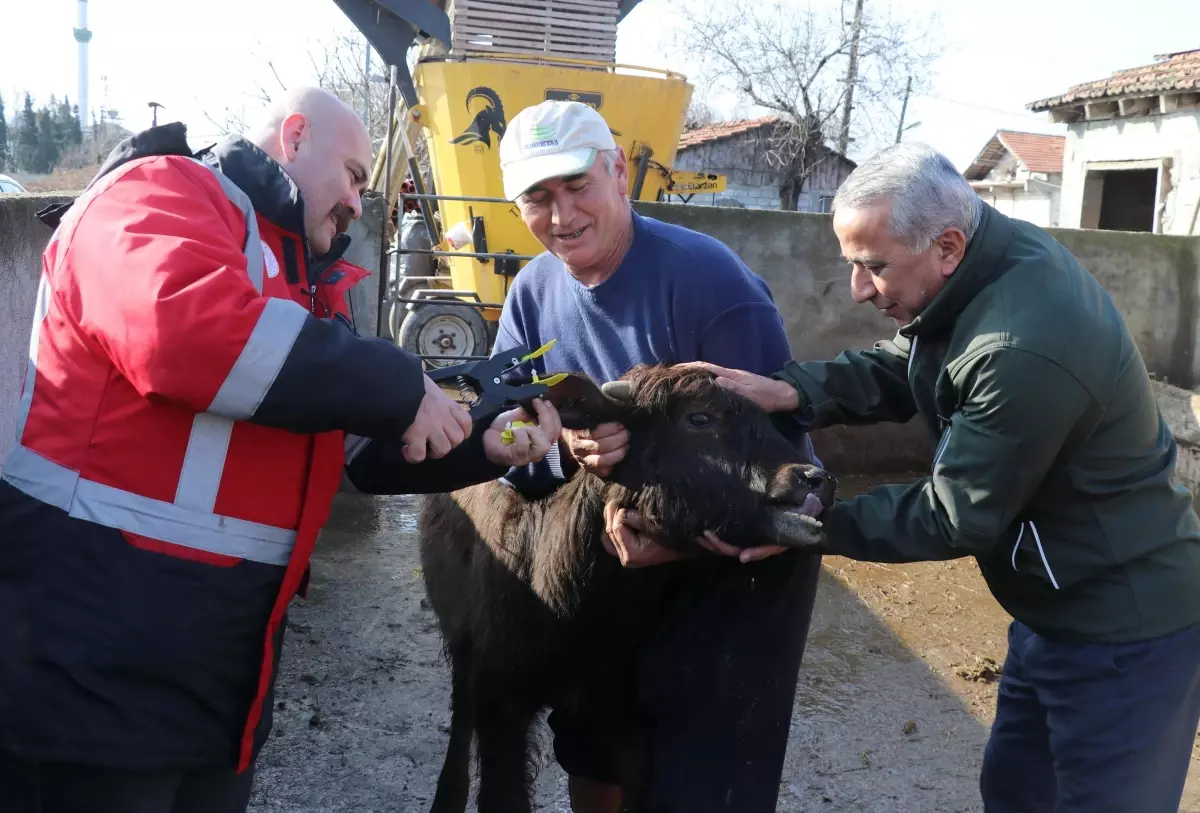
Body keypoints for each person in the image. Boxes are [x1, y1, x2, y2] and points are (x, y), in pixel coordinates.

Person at [0, 87, 560, 813]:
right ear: (293, 137)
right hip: (86, 662)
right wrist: (395, 381)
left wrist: (484, 445)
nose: (360, 202)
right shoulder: (159, 189)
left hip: (219, 678)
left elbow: (350, 446)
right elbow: (180, 332)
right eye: (356, 174)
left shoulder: (305, 279)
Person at [645, 142, 1200, 813]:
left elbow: (953, 513)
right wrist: (790, 391)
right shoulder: (981, 269)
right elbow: (912, 362)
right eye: (852, 263)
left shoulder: (1021, 347)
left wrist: (802, 523)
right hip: (1052, 603)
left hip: (1122, 627)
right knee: (1017, 792)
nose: (856, 289)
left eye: (873, 267)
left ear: (946, 246)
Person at [490, 99, 824, 813]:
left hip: (723, 583)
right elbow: (506, 441)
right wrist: (561, 450)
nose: (562, 214)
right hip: (613, 577)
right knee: (596, 748)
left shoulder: (712, 286)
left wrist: (667, 542)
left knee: (700, 777)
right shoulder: (529, 296)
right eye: (538, 198)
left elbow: (785, 475)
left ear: (618, 172)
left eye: (578, 185)